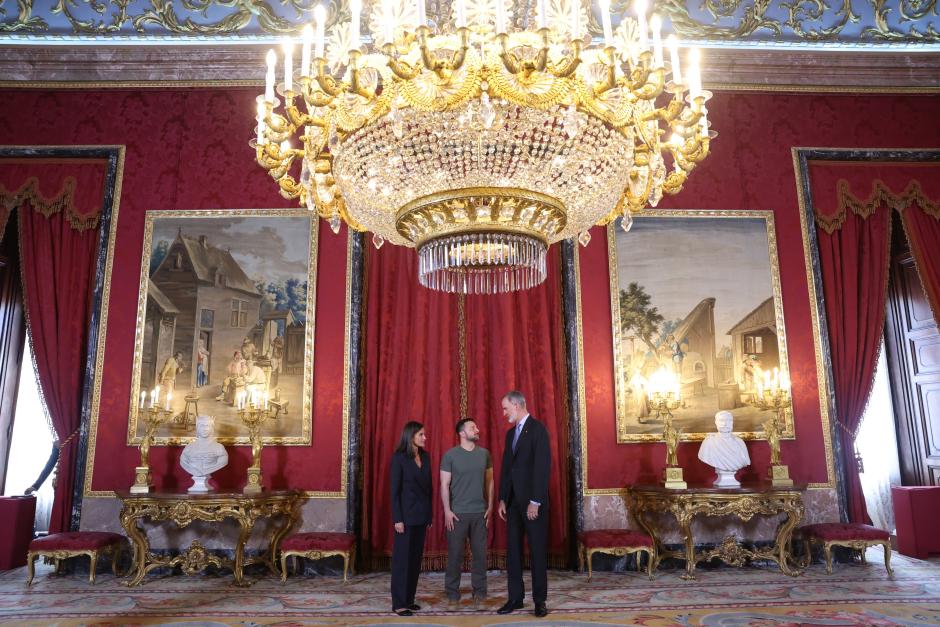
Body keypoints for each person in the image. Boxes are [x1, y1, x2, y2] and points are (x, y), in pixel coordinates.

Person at [497, 391, 551, 618]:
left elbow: (542, 467)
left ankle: (539, 601)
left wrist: (535, 501)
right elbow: (507, 468)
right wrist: (502, 498)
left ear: (517, 405)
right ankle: (515, 598)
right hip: (513, 504)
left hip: (532, 504)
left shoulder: (538, 430)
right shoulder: (511, 435)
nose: (504, 413)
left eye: (505, 408)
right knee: (514, 553)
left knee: (537, 552)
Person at [440, 418, 493, 611]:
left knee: (480, 556)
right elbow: (444, 485)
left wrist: (491, 507)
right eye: (473, 427)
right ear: (462, 433)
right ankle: (452, 595)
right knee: (455, 556)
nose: (477, 429)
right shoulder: (450, 455)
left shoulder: (484, 454)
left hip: (480, 513)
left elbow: (490, 482)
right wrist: (447, 510)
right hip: (457, 514)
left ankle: (479, 593)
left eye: (477, 427)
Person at [390, 421, 432, 617]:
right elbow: (394, 492)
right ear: (411, 436)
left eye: (424, 434)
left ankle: (409, 599)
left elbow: (429, 490)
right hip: (405, 519)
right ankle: (399, 603)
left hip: (421, 517)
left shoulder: (426, 456)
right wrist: (397, 518)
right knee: (402, 562)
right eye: (421, 435)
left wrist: (429, 515)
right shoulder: (399, 458)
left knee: (415, 561)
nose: (425, 438)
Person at [698, 410, 750, 487]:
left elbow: (745, 460)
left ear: (732, 422)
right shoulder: (709, 442)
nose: (725, 424)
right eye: (722, 420)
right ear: (716, 422)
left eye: (729, 420)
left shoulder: (740, 442)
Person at [180, 415, 228, 492]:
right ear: (197, 428)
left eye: (207, 426)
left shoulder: (219, 448)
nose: (205, 429)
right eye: (202, 426)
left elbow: (223, 461)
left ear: (212, 428)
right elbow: (183, 461)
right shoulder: (189, 448)